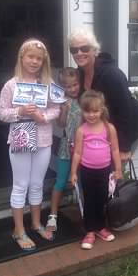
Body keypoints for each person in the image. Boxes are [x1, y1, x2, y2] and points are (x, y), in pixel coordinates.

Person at [0, 38, 60, 251]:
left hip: (43, 139)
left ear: (44, 61)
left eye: (39, 58)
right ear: (22, 57)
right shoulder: (11, 85)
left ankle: (35, 223)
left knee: (37, 183)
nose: (34, 61)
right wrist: (20, 111)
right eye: (30, 57)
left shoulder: (48, 84)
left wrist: (44, 116)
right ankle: (19, 230)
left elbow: (56, 108)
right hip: (21, 137)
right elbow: (2, 113)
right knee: (20, 184)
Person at [68, 26, 138, 162]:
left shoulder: (111, 74)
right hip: (105, 129)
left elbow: (125, 110)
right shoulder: (80, 73)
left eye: (84, 48)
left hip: (129, 126)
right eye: (74, 50)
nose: (79, 53)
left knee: (112, 169)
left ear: (94, 49)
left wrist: (124, 147)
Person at [69, 90, 122, 250]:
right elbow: (77, 153)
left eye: (95, 111)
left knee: (102, 199)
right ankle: (89, 231)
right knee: (89, 201)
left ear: (102, 110)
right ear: (82, 111)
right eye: (87, 111)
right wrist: (73, 172)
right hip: (87, 171)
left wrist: (118, 169)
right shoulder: (81, 130)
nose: (91, 115)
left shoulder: (109, 128)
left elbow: (115, 150)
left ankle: (100, 227)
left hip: (105, 171)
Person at [45, 67, 82, 233]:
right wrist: (64, 110)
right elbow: (60, 124)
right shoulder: (62, 102)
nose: (73, 89)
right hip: (67, 146)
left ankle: (86, 211)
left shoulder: (84, 99)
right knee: (60, 181)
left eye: (75, 84)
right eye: (68, 86)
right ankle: (53, 215)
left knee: (82, 180)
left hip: (84, 147)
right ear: (62, 87)